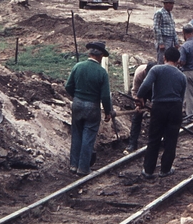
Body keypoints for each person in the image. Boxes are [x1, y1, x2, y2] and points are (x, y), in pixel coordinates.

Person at [136, 46, 187, 179]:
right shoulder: (182, 76)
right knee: (171, 140)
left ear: (164, 58)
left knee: (154, 139)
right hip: (175, 108)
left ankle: (148, 170)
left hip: (159, 107)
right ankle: (165, 169)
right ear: (178, 60)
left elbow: (145, 86)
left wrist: (139, 97)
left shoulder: (156, 69)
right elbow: (182, 97)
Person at [64, 41, 113, 176]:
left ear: (90, 53)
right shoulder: (102, 72)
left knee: (77, 134)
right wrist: (108, 112)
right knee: (88, 136)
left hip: (77, 104)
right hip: (93, 107)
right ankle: (83, 168)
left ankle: (73, 165)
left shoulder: (78, 66)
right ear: (101, 56)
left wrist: (77, 97)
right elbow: (105, 96)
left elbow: (68, 86)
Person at [125, 60, 156, 154]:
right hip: (141, 91)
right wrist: (138, 103)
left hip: (154, 92)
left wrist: (154, 105)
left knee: (157, 116)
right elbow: (135, 91)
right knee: (137, 117)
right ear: (146, 71)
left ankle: (157, 140)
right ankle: (132, 144)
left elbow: (160, 93)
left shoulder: (159, 74)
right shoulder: (139, 74)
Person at [154, 0, 179, 64]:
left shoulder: (170, 14)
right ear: (166, 4)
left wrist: (176, 42)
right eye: (170, 3)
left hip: (170, 40)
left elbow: (172, 28)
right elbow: (156, 28)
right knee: (162, 59)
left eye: (172, 3)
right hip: (164, 39)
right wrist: (160, 43)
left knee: (170, 59)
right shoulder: (159, 13)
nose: (172, 6)